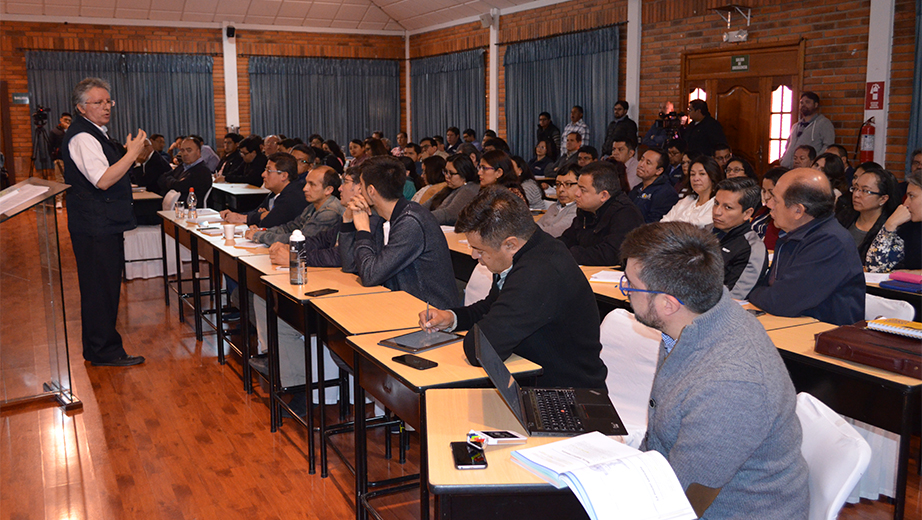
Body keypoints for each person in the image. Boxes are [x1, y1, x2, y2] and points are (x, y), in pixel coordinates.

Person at [620, 222, 809, 520]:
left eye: (630, 285)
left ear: (668, 304)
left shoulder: (731, 383)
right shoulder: (697, 321)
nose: (625, 291)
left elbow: (683, 501)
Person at [420, 186, 607, 389]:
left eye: (479, 250)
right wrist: (453, 318)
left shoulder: (539, 273)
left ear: (510, 244)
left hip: (568, 396)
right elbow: (494, 306)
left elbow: (481, 349)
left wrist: (478, 332)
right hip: (535, 378)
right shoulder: (532, 248)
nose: (474, 256)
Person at [62, 77, 147, 366]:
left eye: (108, 101)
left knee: (105, 288)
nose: (105, 106)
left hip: (101, 224)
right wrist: (132, 154)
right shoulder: (83, 137)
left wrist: (128, 156)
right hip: (94, 226)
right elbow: (103, 180)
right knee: (100, 290)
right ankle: (103, 351)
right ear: (81, 108)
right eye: (97, 102)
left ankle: (99, 348)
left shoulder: (96, 133)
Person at [748, 168, 865, 325]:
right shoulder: (793, 233)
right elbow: (770, 287)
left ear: (798, 211)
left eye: (775, 200)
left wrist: (752, 292)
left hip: (823, 336)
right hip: (792, 325)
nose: (768, 204)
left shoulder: (830, 242)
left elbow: (781, 301)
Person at [340, 156, 459, 308]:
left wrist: (363, 230)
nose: (358, 190)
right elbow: (351, 266)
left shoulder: (411, 222)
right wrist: (347, 222)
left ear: (371, 191)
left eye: (361, 185)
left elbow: (370, 275)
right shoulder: (384, 218)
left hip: (429, 317)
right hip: (401, 307)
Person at [559, 161, 644, 266]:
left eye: (583, 190)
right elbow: (568, 239)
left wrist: (568, 253)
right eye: (578, 187)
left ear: (604, 195)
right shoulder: (586, 210)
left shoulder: (626, 214)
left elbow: (610, 254)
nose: (577, 194)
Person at [248, 166, 344, 245]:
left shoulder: (329, 212)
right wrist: (263, 230)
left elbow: (301, 240)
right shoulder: (312, 206)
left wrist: (260, 236)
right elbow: (290, 227)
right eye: (306, 183)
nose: (305, 189)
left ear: (328, 190)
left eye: (312, 184)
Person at [711, 178, 768, 300]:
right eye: (716, 203)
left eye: (728, 207)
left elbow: (734, 298)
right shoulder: (706, 232)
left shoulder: (752, 248)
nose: (717, 212)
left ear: (747, 213)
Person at [219, 152, 307, 228]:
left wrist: (247, 218)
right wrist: (238, 215)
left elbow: (269, 222)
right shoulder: (274, 194)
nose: (263, 174)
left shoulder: (293, 196)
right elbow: (257, 212)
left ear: (284, 176)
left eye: (269, 171)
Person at [835, 167, 899, 265]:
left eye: (865, 191)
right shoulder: (843, 218)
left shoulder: (889, 228)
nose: (856, 194)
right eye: (856, 188)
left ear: (883, 199)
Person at [866, 170, 922, 271]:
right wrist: (889, 226)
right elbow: (874, 268)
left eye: (912, 196)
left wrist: (913, 274)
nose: (906, 203)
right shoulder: (910, 228)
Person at [662, 156, 723, 227]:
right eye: (692, 174)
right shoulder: (687, 199)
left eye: (702, 174)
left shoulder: (717, 203)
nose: (696, 178)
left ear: (713, 176)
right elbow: (664, 222)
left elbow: (697, 226)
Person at [780, 91, 835, 168]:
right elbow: (788, 145)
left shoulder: (824, 123)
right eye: (801, 103)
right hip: (787, 167)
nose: (803, 105)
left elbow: (828, 146)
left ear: (815, 105)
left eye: (807, 102)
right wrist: (783, 159)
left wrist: (815, 162)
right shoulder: (795, 126)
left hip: (807, 169)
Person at [424, 154, 480, 225]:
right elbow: (426, 205)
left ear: (464, 174)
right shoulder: (449, 188)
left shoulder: (469, 190)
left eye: (451, 173)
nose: (447, 176)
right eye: (445, 171)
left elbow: (449, 214)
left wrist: (422, 217)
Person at [629, 148, 680, 223]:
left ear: (659, 171)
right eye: (641, 159)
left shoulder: (666, 193)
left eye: (648, 163)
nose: (641, 164)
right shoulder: (637, 188)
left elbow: (654, 223)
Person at [750, 166, 788, 249]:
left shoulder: (784, 219)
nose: (766, 196)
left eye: (771, 192)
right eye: (764, 191)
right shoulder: (763, 211)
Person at [537, 166, 579, 237]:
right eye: (558, 184)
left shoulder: (578, 210)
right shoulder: (554, 207)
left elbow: (555, 232)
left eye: (568, 184)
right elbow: (537, 225)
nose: (560, 189)